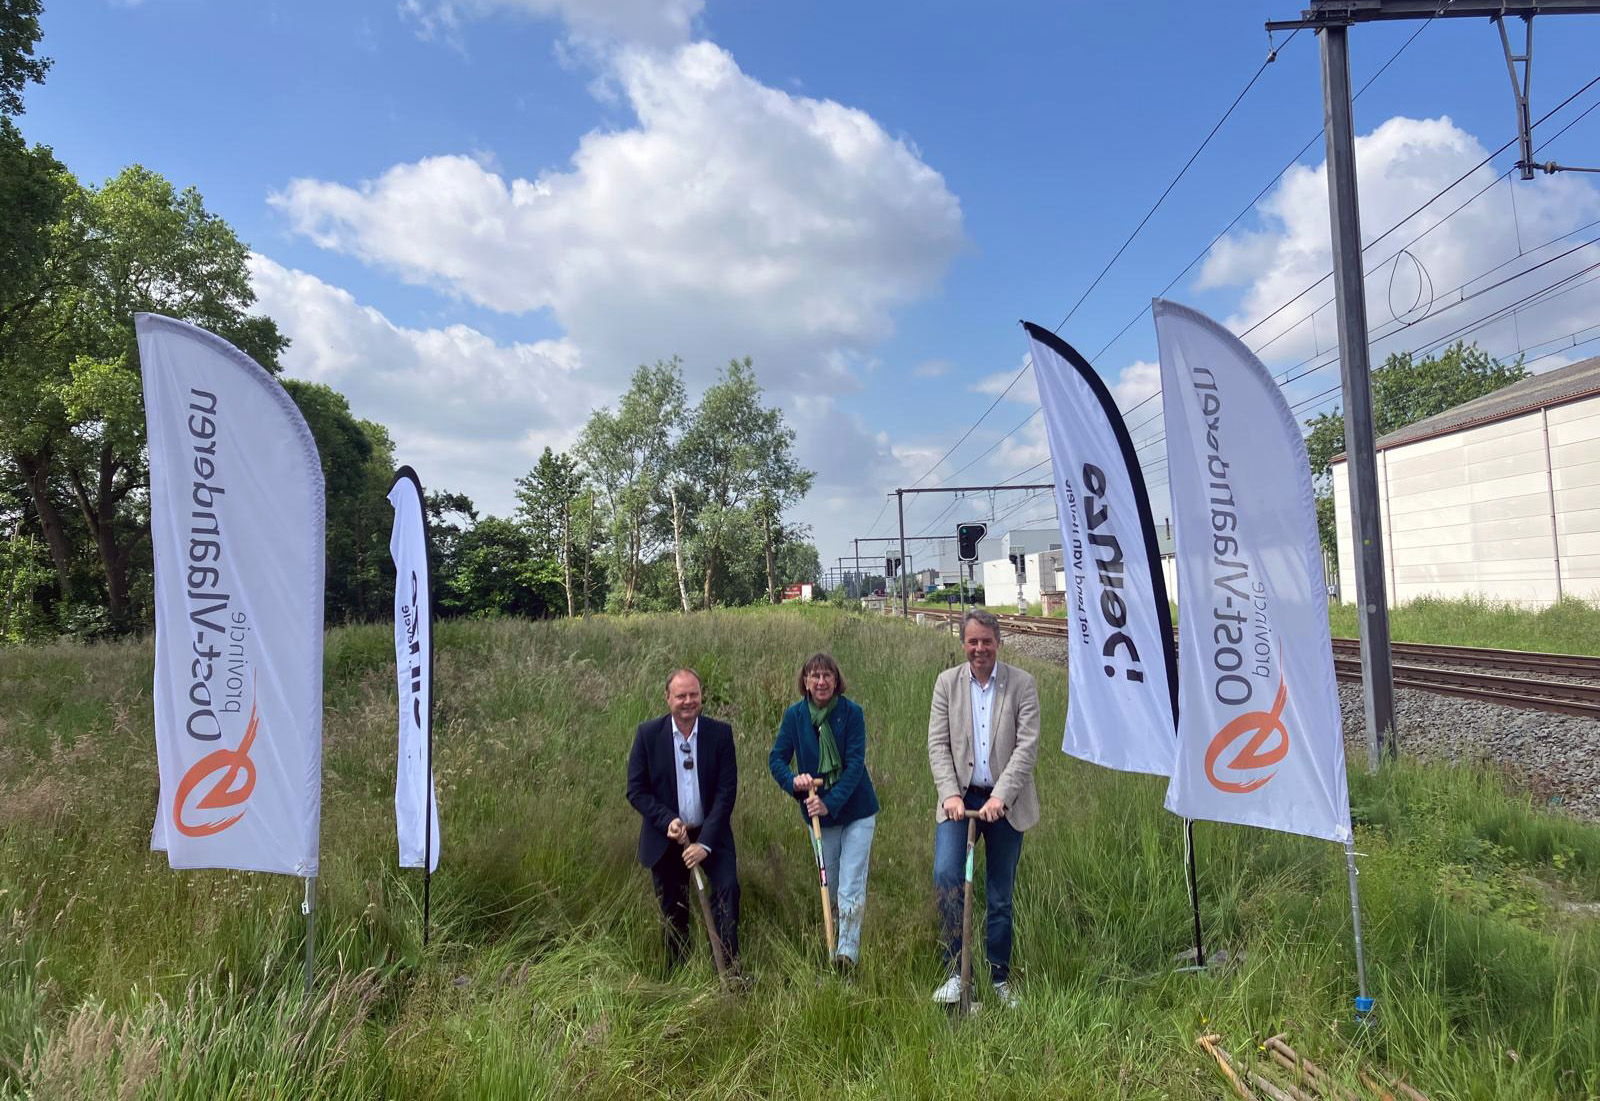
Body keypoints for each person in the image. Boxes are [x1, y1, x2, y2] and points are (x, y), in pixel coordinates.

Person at [927, 608, 1040, 1008]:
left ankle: (999, 978)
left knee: (999, 893)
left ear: (998, 643)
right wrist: (950, 795)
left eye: (986, 642)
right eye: (972, 642)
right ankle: (956, 972)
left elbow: (1026, 748)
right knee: (946, 875)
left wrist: (1000, 797)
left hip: (1005, 804)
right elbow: (938, 745)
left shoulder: (1021, 685)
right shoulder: (947, 684)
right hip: (960, 800)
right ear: (964, 644)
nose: (979, 649)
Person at [768, 652, 880, 969]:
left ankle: (846, 956)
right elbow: (776, 759)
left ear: (836, 680)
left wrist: (829, 803)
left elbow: (855, 766)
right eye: (814, 676)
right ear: (805, 681)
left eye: (827, 675)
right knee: (828, 885)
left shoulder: (851, 713)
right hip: (818, 818)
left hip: (856, 811)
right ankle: (832, 947)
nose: (821, 682)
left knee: (851, 884)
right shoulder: (795, 717)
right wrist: (794, 782)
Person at [626, 668, 740, 972]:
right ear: (668, 699)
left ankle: (728, 971)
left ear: (701, 697)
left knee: (727, 891)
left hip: (710, 832)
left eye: (694, 694)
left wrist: (705, 843)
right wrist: (667, 821)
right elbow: (636, 790)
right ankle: (678, 975)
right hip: (667, 836)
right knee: (674, 910)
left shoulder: (720, 734)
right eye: (681, 696)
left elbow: (726, 794)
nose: (688, 701)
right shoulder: (648, 735)